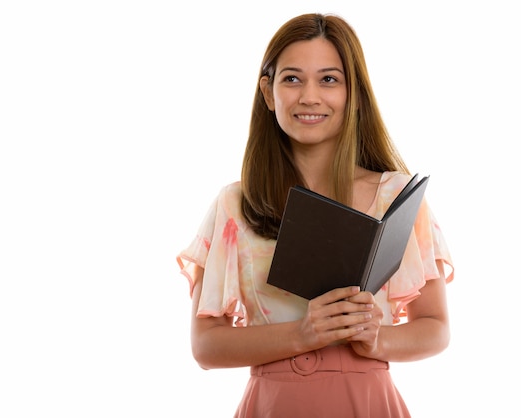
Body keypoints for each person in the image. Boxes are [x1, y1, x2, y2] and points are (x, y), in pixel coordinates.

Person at [176, 12, 454, 418]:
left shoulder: (393, 196)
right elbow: (205, 347)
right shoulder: (236, 203)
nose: (309, 96)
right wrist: (304, 333)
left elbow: (436, 327)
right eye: (292, 79)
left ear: (352, 92)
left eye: (329, 79)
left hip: (369, 403)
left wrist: (379, 340)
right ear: (268, 94)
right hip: (273, 404)